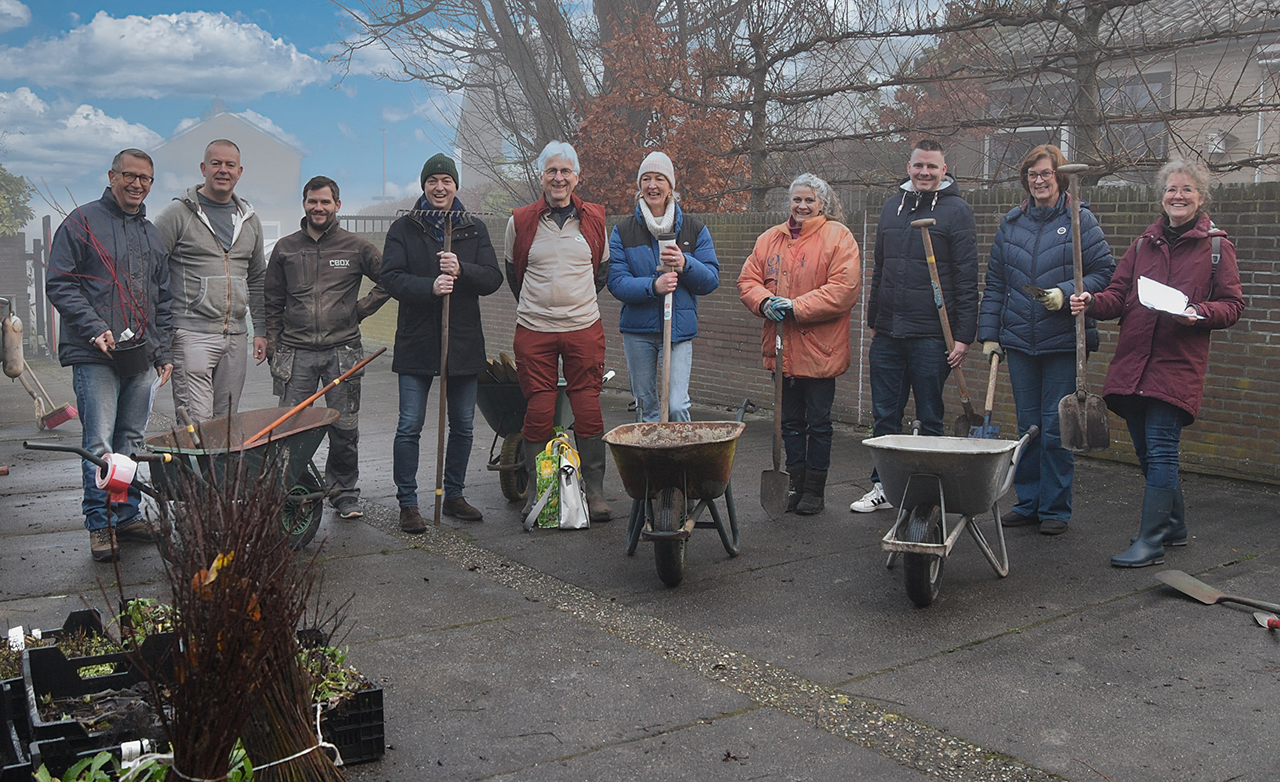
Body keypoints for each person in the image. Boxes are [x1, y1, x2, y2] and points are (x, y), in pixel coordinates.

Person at [1071, 158, 1243, 567]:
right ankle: (1174, 526)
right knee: (1148, 453)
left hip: (1176, 363)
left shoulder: (1217, 247)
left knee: (1162, 451)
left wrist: (1199, 312)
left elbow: (1233, 305)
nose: (1177, 196)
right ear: (1161, 196)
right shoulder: (1144, 243)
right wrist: (1091, 302)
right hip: (1134, 362)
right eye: (1171, 189)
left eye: (1186, 190)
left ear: (1201, 197)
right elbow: (1117, 294)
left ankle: (1151, 542)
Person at [977, 145, 1114, 536]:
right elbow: (997, 284)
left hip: (1063, 342)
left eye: (1046, 174)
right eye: (1033, 175)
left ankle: (1055, 508)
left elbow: (1104, 272)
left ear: (1058, 178)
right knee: (1028, 426)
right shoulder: (1012, 223)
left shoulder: (1079, 220)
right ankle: (1029, 500)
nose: (1039, 181)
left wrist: (1066, 290)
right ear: (1026, 179)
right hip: (1020, 341)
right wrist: (990, 335)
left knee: (1056, 428)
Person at [46, 149, 174, 563]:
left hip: (139, 357)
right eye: (130, 176)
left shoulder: (151, 234)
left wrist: (163, 352)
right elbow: (61, 283)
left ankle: (125, 514)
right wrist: (95, 327)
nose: (138, 184)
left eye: (146, 179)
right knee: (99, 444)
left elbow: (162, 299)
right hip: (94, 353)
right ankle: (99, 525)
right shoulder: (81, 223)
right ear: (112, 176)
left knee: (130, 443)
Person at [851, 139, 978, 514]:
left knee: (929, 416)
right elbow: (880, 269)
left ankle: (927, 494)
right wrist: (875, 321)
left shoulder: (958, 212)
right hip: (889, 332)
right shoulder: (893, 208)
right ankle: (884, 487)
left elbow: (967, 279)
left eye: (932, 167)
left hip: (931, 335)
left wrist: (964, 336)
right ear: (909, 167)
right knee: (885, 416)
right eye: (919, 166)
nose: (925, 172)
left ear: (944, 169)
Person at [383, 154, 502, 532]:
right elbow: (391, 278)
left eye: (446, 181)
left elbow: (492, 278)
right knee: (409, 426)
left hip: (463, 341)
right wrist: (430, 287)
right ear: (424, 185)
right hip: (417, 340)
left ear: (455, 186)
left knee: (464, 426)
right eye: (432, 180)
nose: (439, 187)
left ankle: (453, 494)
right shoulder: (404, 228)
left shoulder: (473, 229)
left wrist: (461, 269)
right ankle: (408, 504)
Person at [264, 176, 389, 521]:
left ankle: (343, 493)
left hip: (342, 352)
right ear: (304, 204)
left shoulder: (357, 247)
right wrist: (274, 344)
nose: (318, 208)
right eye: (312, 201)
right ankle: (286, 490)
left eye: (325, 202)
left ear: (337, 204)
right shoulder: (286, 248)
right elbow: (271, 299)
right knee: (288, 430)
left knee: (344, 428)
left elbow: (389, 278)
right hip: (296, 353)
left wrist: (360, 309)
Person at [738, 173, 860, 515]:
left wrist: (796, 307)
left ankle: (815, 491)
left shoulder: (838, 237)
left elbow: (844, 288)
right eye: (797, 200)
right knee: (789, 422)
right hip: (782, 349)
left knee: (818, 423)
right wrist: (764, 301)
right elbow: (748, 279)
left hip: (821, 351)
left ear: (822, 203)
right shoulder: (769, 239)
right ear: (788, 202)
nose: (802, 206)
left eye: (809, 200)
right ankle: (794, 483)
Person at [506, 141, 612, 523]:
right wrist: (542, 306)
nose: (559, 178)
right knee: (539, 407)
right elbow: (514, 273)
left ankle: (595, 492)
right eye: (552, 171)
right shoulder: (520, 221)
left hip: (584, 326)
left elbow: (600, 272)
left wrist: (573, 305)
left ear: (577, 177)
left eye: (566, 171)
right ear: (541, 176)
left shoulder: (596, 219)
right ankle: (539, 491)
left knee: (587, 405)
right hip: (534, 329)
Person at [155, 138, 266, 422]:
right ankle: (194, 469)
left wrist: (261, 330)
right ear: (204, 168)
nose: (223, 170)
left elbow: (257, 278)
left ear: (240, 171)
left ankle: (221, 469)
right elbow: (153, 273)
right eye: (216, 163)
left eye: (230, 164)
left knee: (227, 422)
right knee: (197, 422)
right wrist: (161, 336)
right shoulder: (177, 214)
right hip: (191, 335)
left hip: (236, 336)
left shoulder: (250, 220)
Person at [607, 151, 720, 422]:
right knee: (647, 409)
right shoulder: (623, 231)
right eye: (646, 179)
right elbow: (617, 282)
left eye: (659, 178)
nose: (652, 185)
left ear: (671, 186)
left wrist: (685, 263)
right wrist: (653, 286)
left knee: (677, 406)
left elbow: (711, 280)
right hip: (638, 331)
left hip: (678, 332)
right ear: (639, 186)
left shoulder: (694, 229)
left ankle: (682, 462)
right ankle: (653, 463)